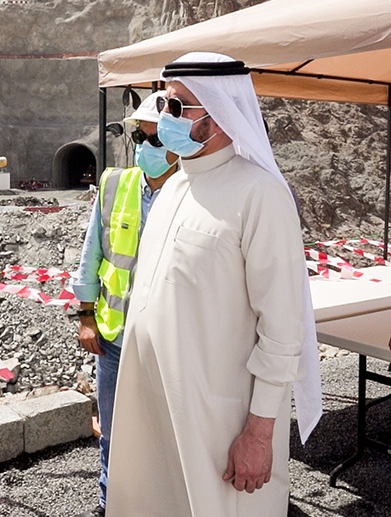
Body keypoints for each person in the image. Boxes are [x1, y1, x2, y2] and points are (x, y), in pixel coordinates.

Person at [105, 52, 322, 517]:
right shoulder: (173, 189)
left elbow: (283, 328)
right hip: (152, 411)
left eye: (177, 107)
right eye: (163, 103)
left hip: (217, 422)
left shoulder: (260, 195)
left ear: (220, 114)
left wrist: (259, 434)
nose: (165, 117)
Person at [72, 90, 179, 517]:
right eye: (140, 137)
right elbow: (91, 253)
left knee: (163, 432)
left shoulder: (191, 193)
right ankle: (109, 502)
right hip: (114, 337)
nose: (144, 147)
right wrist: (85, 316)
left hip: (166, 342)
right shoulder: (116, 184)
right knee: (113, 430)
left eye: (155, 139)